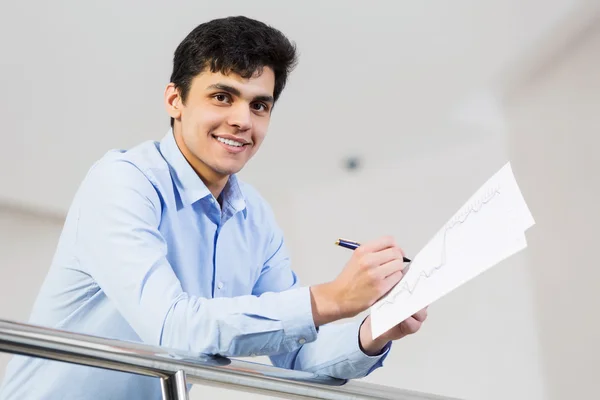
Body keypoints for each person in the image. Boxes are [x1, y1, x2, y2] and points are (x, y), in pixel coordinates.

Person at [0, 15, 427, 400]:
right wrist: (332, 298)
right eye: (223, 97)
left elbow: (298, 357)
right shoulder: (122, 181)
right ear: (175, 101)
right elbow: (173, 329)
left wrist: (377, 327)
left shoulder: (255, 217)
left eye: (259, 105)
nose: (244, 120)